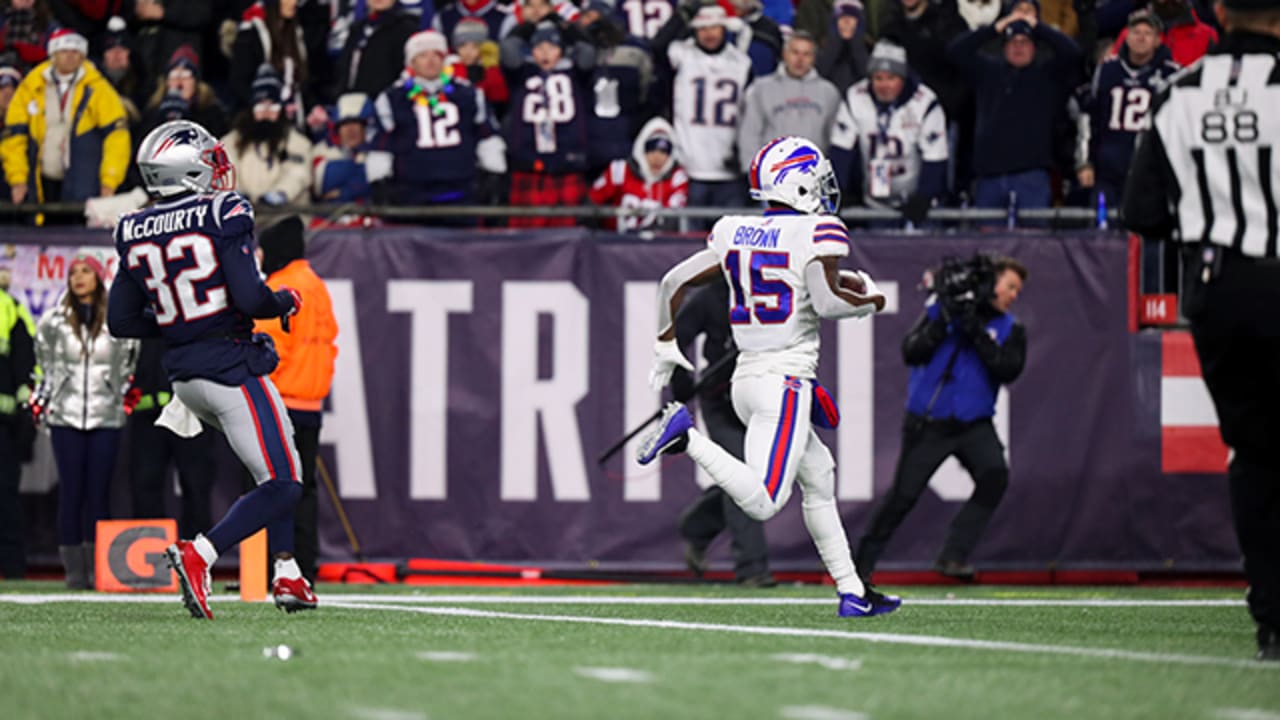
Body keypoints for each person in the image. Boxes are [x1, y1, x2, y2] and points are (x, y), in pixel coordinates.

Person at [637, 135, 900, 617]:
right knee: (764, 501)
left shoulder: (735, 230)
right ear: (799, 186)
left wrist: (665, 344)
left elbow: (671, 281)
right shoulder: (817, 232)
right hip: (785, 382)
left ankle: (853, 592)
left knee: (819, 477)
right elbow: (824, 302)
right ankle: (686, 439)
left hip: (746, 378)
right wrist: (872, 301)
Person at [1122, 0, 1280, 662]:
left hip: (1217, 289)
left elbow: (1142, 211)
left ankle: (1271, 617)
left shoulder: (1176, 93)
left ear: (1219, 11)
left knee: (1255, 450)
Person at [107, 119, 313, 619]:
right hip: (228, 365)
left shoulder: (132, 226)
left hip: (184, 375)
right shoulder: (224, 210)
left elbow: (121, 321)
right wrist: (285, 299)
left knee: (273, 454)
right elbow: (250, 298)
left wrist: (184, 324)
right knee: (284, 481)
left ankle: (287, 573)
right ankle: (201, 552)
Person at [854, 255, 1027, 582]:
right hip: (929, 424)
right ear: (992, 285)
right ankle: (857, 567)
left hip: (974, 423)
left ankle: (953, 554)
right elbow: (912, 351)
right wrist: (943, 319)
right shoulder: (941, 312)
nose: (1014, 295)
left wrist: (975, 329)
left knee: (994, 475)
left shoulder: (1009, 327)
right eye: (1010, 287)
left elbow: (1008, 369)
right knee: (902, 497)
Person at [35, 254, 139, 589]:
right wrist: (44, 405)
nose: (79, 277)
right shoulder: (52, 322)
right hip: (65, 417)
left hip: (106, 418)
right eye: (73, 272)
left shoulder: (117, 322)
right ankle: (74, 574)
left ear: (98, 277)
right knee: (71, 493)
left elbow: (128, 366)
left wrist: (121, 398)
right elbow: (45, 369)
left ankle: (99, 571)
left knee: (99, 494)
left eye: (85, 271)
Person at [671, 276, 773, 587]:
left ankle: (697, 525)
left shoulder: (769, 290)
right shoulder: (711, 297)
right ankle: (752, 567)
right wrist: (681, 380)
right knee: (743, 473)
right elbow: (675, 339)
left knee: (768, 475)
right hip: (722, 400)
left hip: (761, 397)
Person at [253, 215, 338, 584]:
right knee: (302, 492)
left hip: (278, 403)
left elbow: (268, 353)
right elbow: (329, 344)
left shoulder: (282, 286)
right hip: (310, 405)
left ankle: (259, 572)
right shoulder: (316, 285)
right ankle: (304, 568)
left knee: (265, 490)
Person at [947, 4, 1082, 216]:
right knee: (987, 247)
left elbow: (1073, 52)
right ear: (1004, 46)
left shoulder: (1047, 74)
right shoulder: (987, 71)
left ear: (1034, 47)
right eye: (1013, 43)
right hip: (988, 177)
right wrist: (996, 27)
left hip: (1032, 177)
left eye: (1025, 42)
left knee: (1035, 246)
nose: (1019, 47)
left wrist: (1037, 26)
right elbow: (955, 51)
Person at [1, 29, 130, 208]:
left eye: (75, 52)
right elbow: (14, 137)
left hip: (84, 179)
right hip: (38, 179)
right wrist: (17, 179)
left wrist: (109, 181)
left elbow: (117, 137)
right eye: (64, 51)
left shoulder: (99, 89)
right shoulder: (31, 87)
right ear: (53, 54)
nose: (70, 56)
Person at [828, 40, 948, 223]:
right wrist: (839, 189)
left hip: (914, 201)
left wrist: (925, 195)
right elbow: (841, 149)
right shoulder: (855, 98)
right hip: (872, 202)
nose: (884, 85)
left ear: (903, 77)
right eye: (878, 78)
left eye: (891, 78)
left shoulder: (925, 103)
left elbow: (935, 155)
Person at [1077, 9, 1180, 206]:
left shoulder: (1171, 74)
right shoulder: (1107, 70)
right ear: (1127, 37)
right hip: (1108, 172)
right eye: (1136, 32)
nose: (1141, 38)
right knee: (1101, 231)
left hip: (1151, 172)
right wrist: (1084, 162)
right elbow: (1090, 118)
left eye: (1147, 33)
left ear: (1158, 40)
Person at [657, 3, 753, 213]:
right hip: (689, 167)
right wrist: (683, 14)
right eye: (702, 28)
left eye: (714, 27)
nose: (709, 33)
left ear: (724, 28)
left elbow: (751, 115)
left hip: (729, 168)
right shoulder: (683, 55)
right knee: (687, 243)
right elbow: (658, 46)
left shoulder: (742, 63)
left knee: (730, 241)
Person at [500, 21, 593, 227]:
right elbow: (507, 48)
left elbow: (587, 52)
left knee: (567, 231)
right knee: (526, 233)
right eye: (539, 48)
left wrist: (567, 28)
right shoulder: (522, 73)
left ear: (561, 50)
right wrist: (528, 26)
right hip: (529, 163)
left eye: (551, 48)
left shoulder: (575, 74)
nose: (545, 53)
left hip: (566, 164)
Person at [126, 338, 216, 541]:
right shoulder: (138, 308)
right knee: (145, 485)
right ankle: (151, 561)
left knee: (197, 487)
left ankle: (197, 559)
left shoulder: (201, 309)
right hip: (147, 413)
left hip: (192, 409)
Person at [736, 31, 841, 175]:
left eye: (806, 54)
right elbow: (750, 133)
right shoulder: (761, 88)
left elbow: (835, 138)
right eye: (795, 52)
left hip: (812, 178)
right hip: (772, 178)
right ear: (785, 54)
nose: (800, 59)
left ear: (814, 58)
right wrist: (752, 172)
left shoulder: (829, 92)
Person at [221, 64, 313, 206]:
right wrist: (235, 194)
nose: (266, 112)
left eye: (272, 105)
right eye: (260, 105)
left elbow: (298, 173)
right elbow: (225, 173)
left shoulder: (298, 142)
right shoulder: (230, 142)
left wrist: (281, 193)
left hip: (285, 216)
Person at [588, 116, 688, 231]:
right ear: (641, 149)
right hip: (615, 243)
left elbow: (673, 218)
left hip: (658, 245)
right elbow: (592, 203)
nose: (657, 158)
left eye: (664, 152)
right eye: (651, 150)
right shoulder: (620, 170)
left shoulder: (677, 178)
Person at [0, 272, 35, 579]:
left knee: (5, 495)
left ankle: (12, 566)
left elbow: (25, 362)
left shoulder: (10, 307)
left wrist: (23, 413)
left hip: (4, 425)